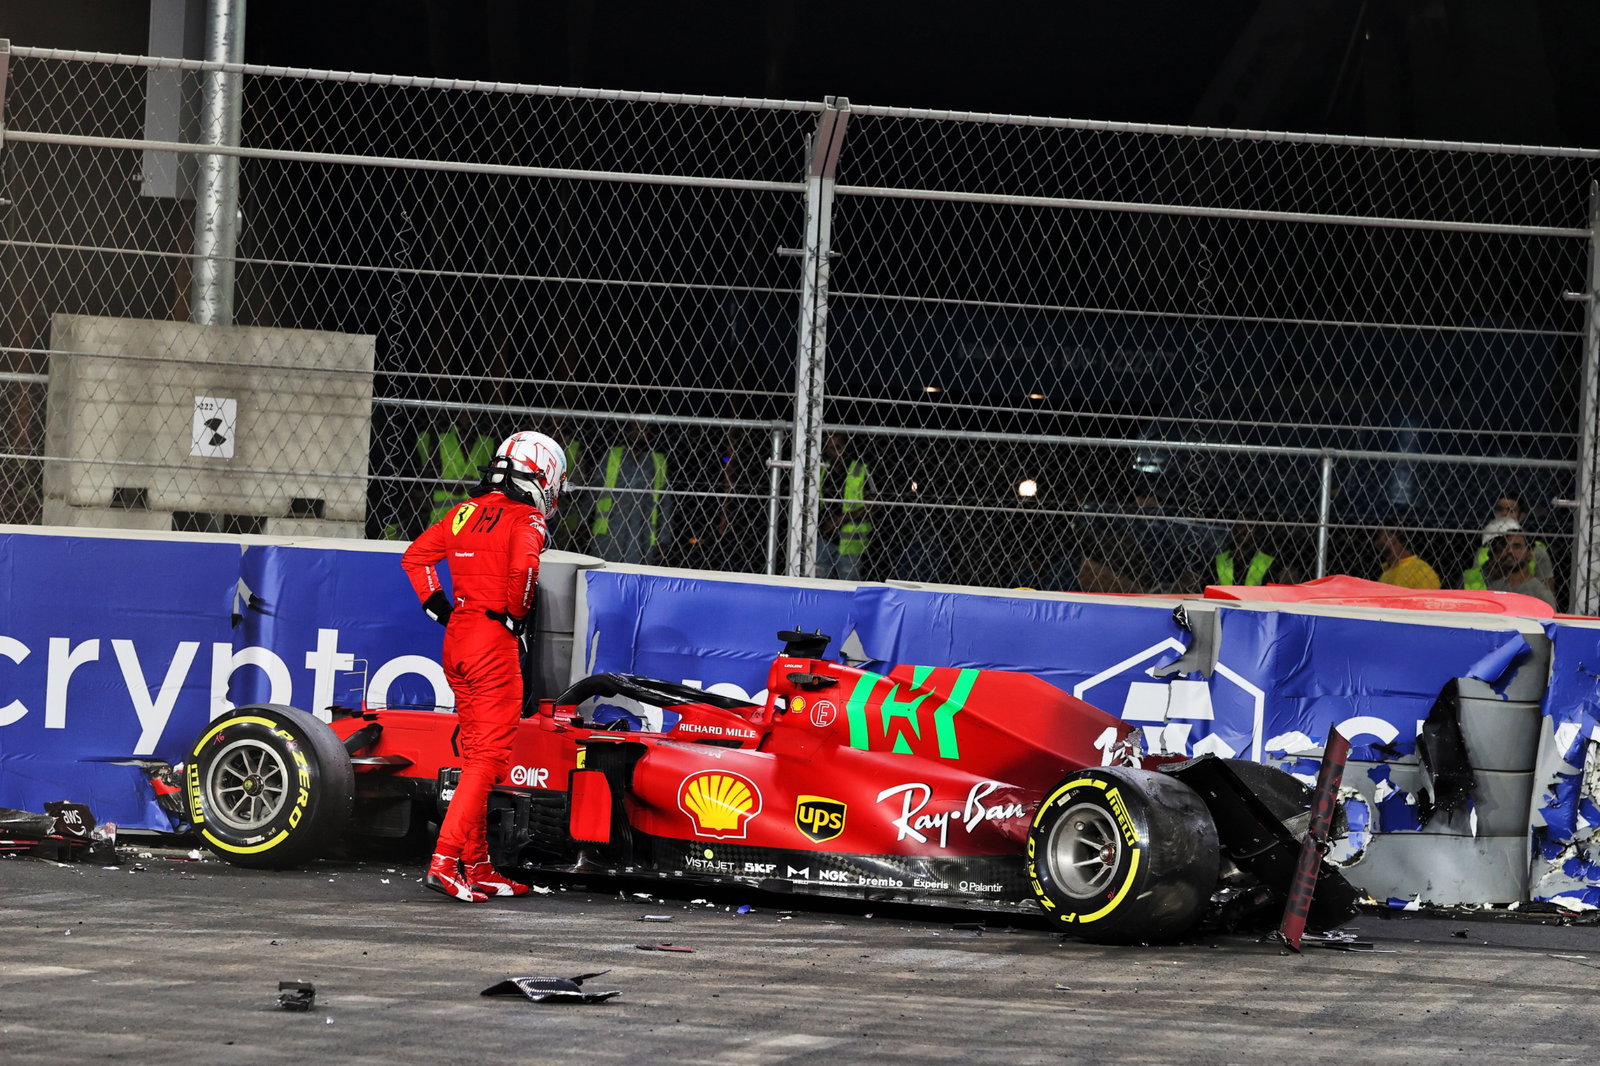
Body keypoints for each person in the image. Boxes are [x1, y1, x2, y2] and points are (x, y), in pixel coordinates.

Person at [400, 430, 566, 903]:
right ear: (542, 477)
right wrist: (516, 614)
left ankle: (477, 866)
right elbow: (525, 572)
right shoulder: (528, 519)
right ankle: (445, 861)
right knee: (489, 761)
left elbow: (415, 559)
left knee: (476, 759)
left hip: (458, 640)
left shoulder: (461, 512)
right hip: (494, 643)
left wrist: (439, 607)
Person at [583, 420, 670, 564]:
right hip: (610, 527)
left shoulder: (658, 461)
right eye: (636, 428)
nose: (640, 433)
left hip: (644, 530)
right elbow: (594, 490)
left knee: (637, 570)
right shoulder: (612, 455)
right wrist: (583, 521)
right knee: (605, 566)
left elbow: (665, 502)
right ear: (627, 431)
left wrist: (664, 537)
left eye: (644, 429)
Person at [1462, 520, 1558, 608]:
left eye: (1517, 547)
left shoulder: (1541, 594)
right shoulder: (1495, 588)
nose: (1509, 551)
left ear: (1529, 554)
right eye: (1506, 546)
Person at [817, 432, 872, 581]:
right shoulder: (822, 469)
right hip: (823, 536)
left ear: (846, 447)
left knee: (849, 587)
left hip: (850, 542)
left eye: (838, 447)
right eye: (830, 448)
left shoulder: (860, 469)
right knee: (819, 584)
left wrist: (843, 519)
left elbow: (874, 504)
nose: (835, 452)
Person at [1471, 492, 1554, 585]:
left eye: (1511, 510)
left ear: (1521, 516)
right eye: (1499, 509)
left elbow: (1547, 587)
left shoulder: (1537, 551)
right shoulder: (1483, 550)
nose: (1504, 514)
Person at [1213, 520, 1284, 586]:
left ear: (1256, 531)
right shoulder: (1220, 559)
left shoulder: (1267, 562)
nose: (1242, 530)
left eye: (1249, 525)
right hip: (1223, 599)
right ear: (1233, 529)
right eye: (1239, 526)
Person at [1375, 520, 1441, 589]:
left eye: (1378, 537)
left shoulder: (1421, 571)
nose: (1376, 543)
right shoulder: (1385, 575)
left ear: (1390, 538)